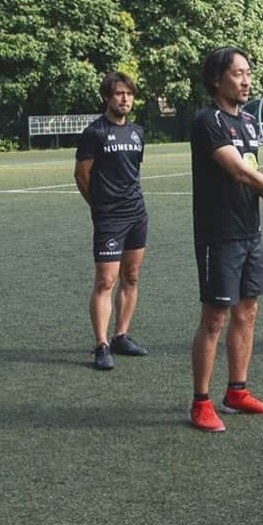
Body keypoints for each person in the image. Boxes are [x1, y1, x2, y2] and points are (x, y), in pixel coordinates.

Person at [188, 46, 263, 433]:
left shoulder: (250, 121)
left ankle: (236, 391)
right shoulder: (208, 121)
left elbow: (251, 167)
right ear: (217, 79)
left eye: (248, 72)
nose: (246, 79)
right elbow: (237, 170)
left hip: (249, 231)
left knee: (248, 311)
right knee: (215, 318)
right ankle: (201, 401)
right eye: (238, 73)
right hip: (219, 234)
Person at [74, 72, 149, 371]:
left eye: (129, 94)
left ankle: (121, 335)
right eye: (119, 94)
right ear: (107, 97)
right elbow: (82, 176)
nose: (125, 99)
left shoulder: (138, 132)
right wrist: (99, 206)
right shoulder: (94, 132)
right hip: (109, 218)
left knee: (131, 277)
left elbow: (133, 173)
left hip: (137, 214)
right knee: (106, 281)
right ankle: (101, 344)